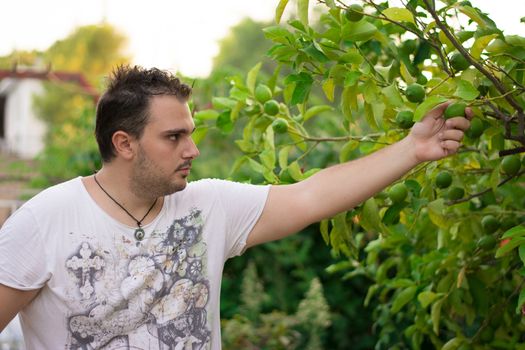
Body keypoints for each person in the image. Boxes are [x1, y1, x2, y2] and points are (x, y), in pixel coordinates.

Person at [0, 65, 472, 349]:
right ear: (124, 143)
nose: (192, 150)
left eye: (190, 133)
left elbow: (312, 195)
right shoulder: (44, 220)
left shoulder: (208, 207)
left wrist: (412, 149)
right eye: (174, 137)